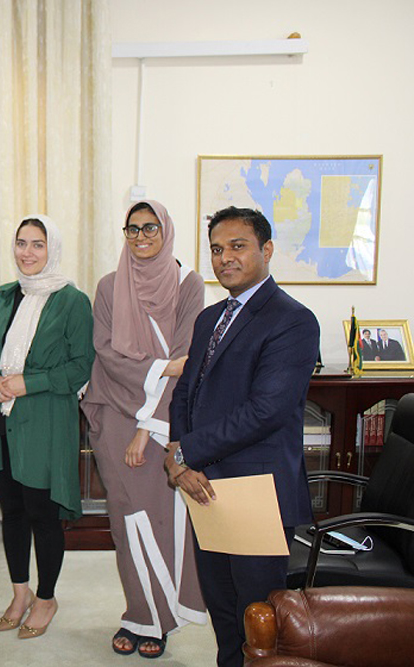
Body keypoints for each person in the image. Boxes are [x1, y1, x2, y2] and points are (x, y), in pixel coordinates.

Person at [166, 206, 319, 667]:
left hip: (257, 491)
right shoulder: (209, 318)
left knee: (259, 619)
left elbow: (265, 411)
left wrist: (186, 452)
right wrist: (178, 457)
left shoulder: (293, 320)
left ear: (267, 250)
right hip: (204, 487)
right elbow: (185, 392)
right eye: (216, 249)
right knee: (223, 609)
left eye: (238, 246)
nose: (225, 258)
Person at [80, 201, 207, 658]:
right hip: (113, 411)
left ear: (165, 229)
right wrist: (159, 368)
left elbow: (185, 358)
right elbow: (106, 353)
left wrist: (148, 426)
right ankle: (140, 613)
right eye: (132, 229)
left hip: (164, 417)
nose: (140, 237)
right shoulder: (109, 286)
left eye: (150, 227)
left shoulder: (189, 284)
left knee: (161, 519)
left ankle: (162, 618)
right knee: (125, 520)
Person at [0, 215, 94, 639]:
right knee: (14, 511)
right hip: (0, 420)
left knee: (42, 513)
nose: (27, 252)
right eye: (21, 243)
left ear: (52, 249)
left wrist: (27, 382)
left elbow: (80, 367)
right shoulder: (1, 297)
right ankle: (19, 593)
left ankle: (46, 598)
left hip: (46, 423)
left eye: (38, 244)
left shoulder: (72, 301)